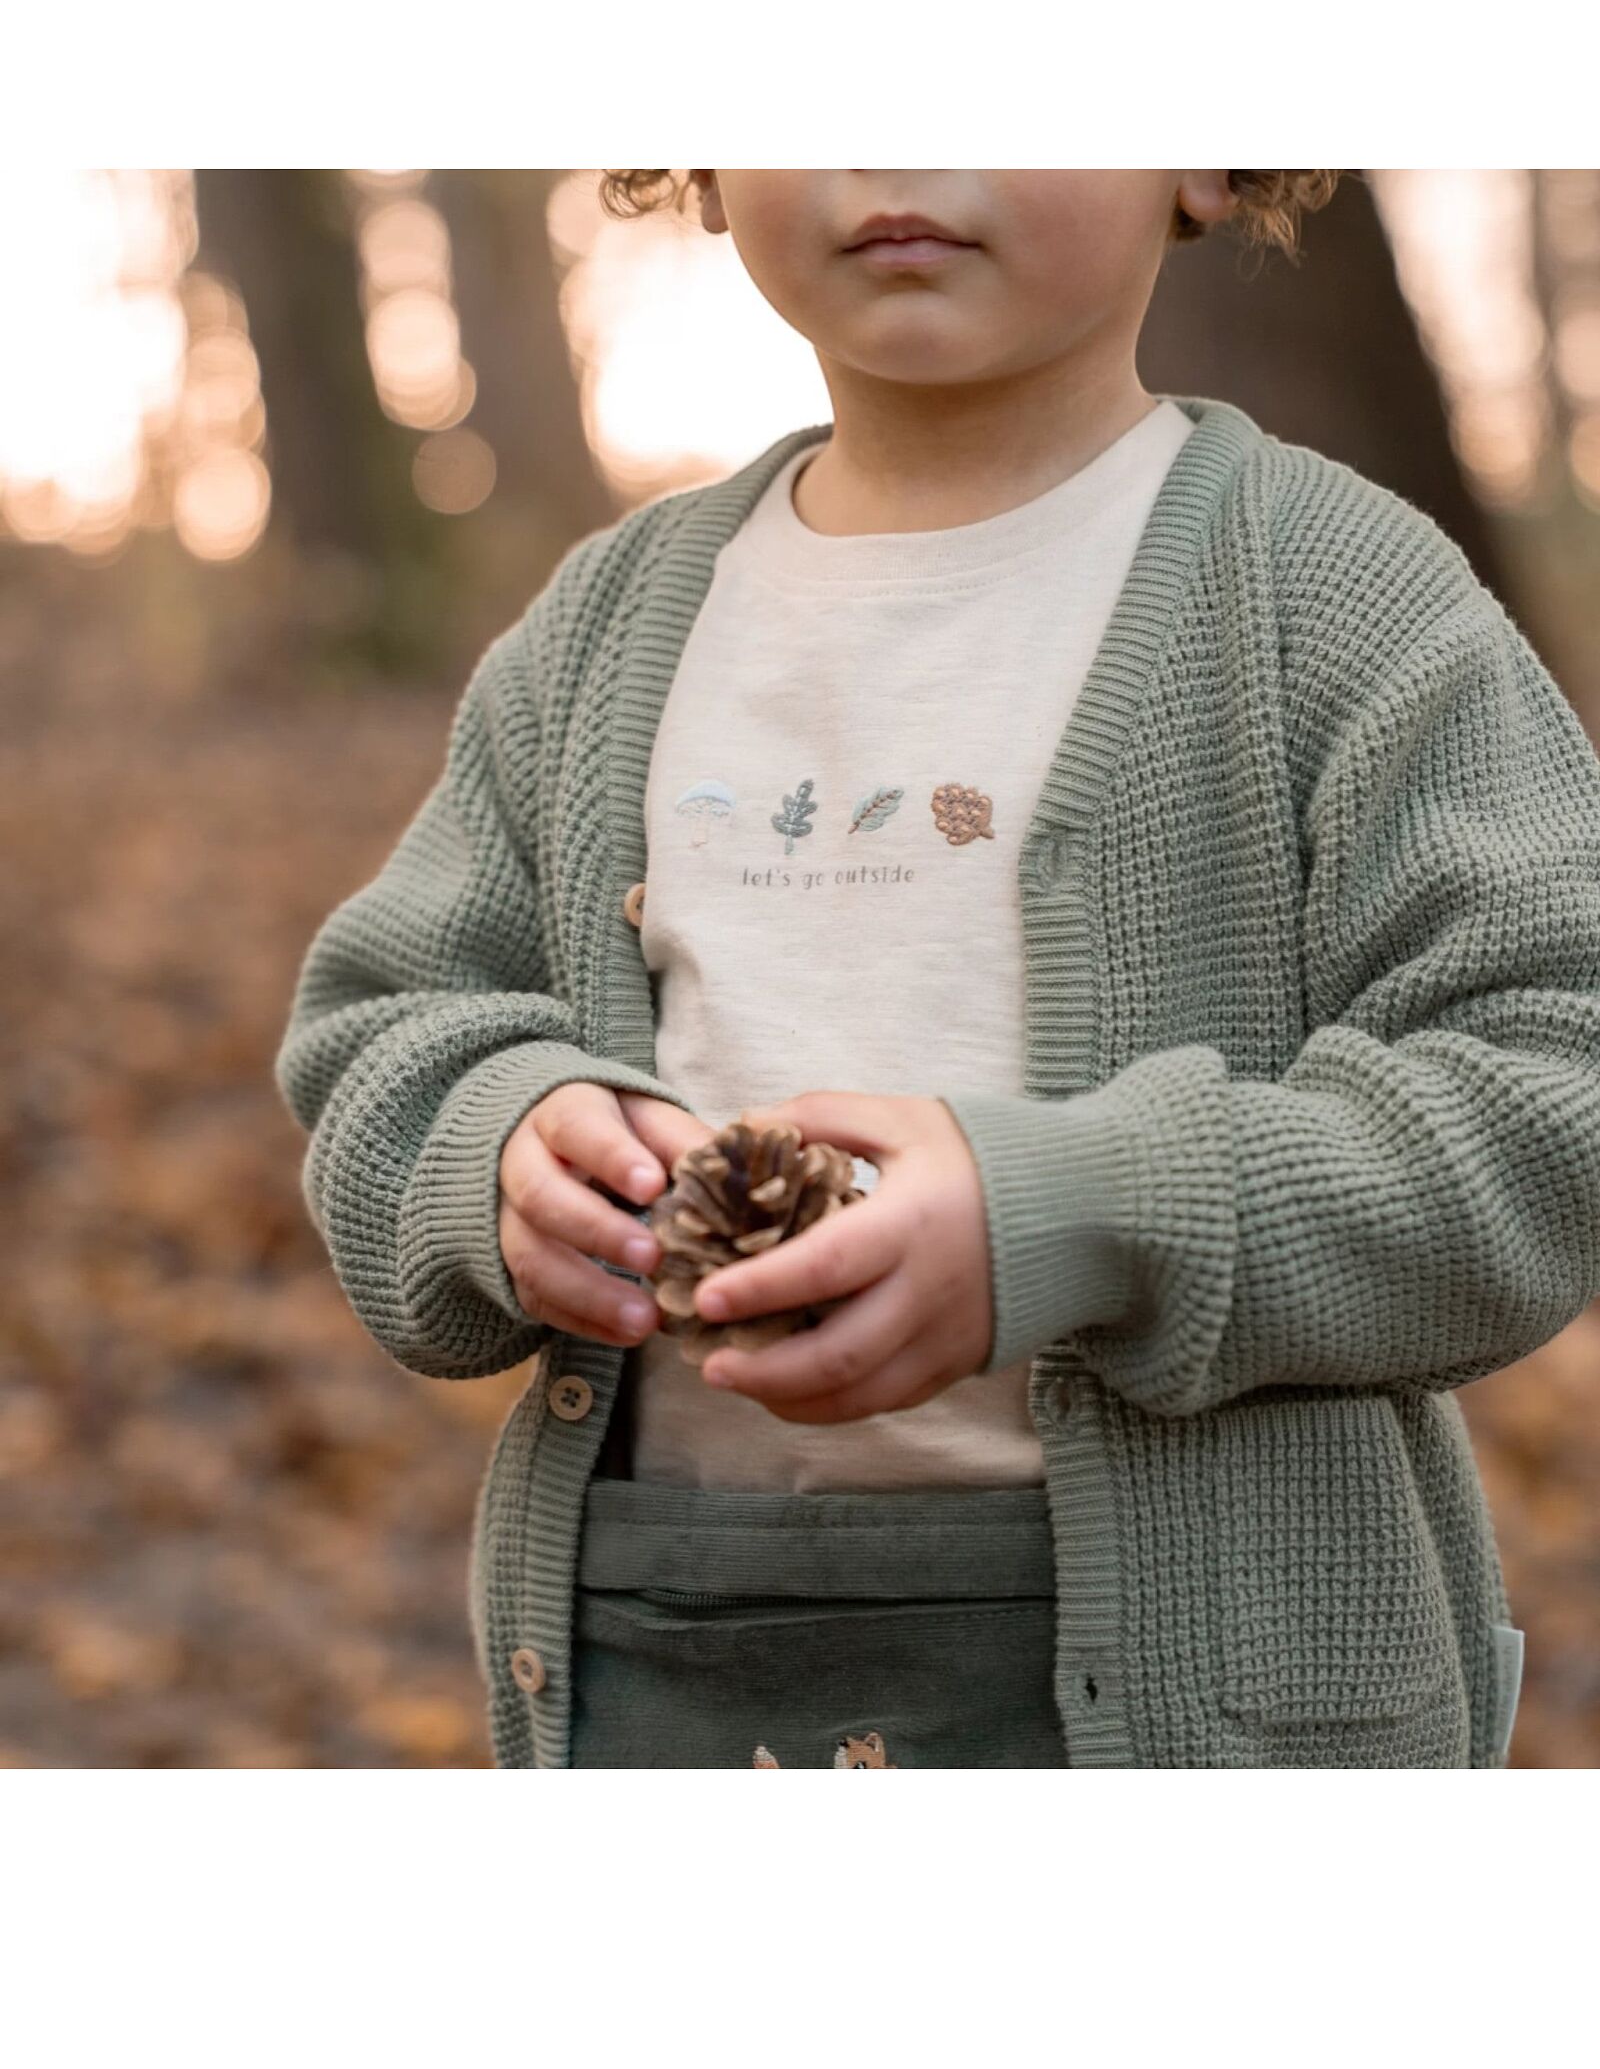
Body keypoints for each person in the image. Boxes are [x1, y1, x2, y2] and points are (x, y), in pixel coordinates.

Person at [274, 171, 1600, 1768]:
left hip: (1224, 1712)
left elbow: (1554, 1086)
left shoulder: (1336, 594)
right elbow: (386, 1032)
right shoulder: (601, 632)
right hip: (666, 1661)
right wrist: (494, 1148)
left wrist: (1090, 1213)